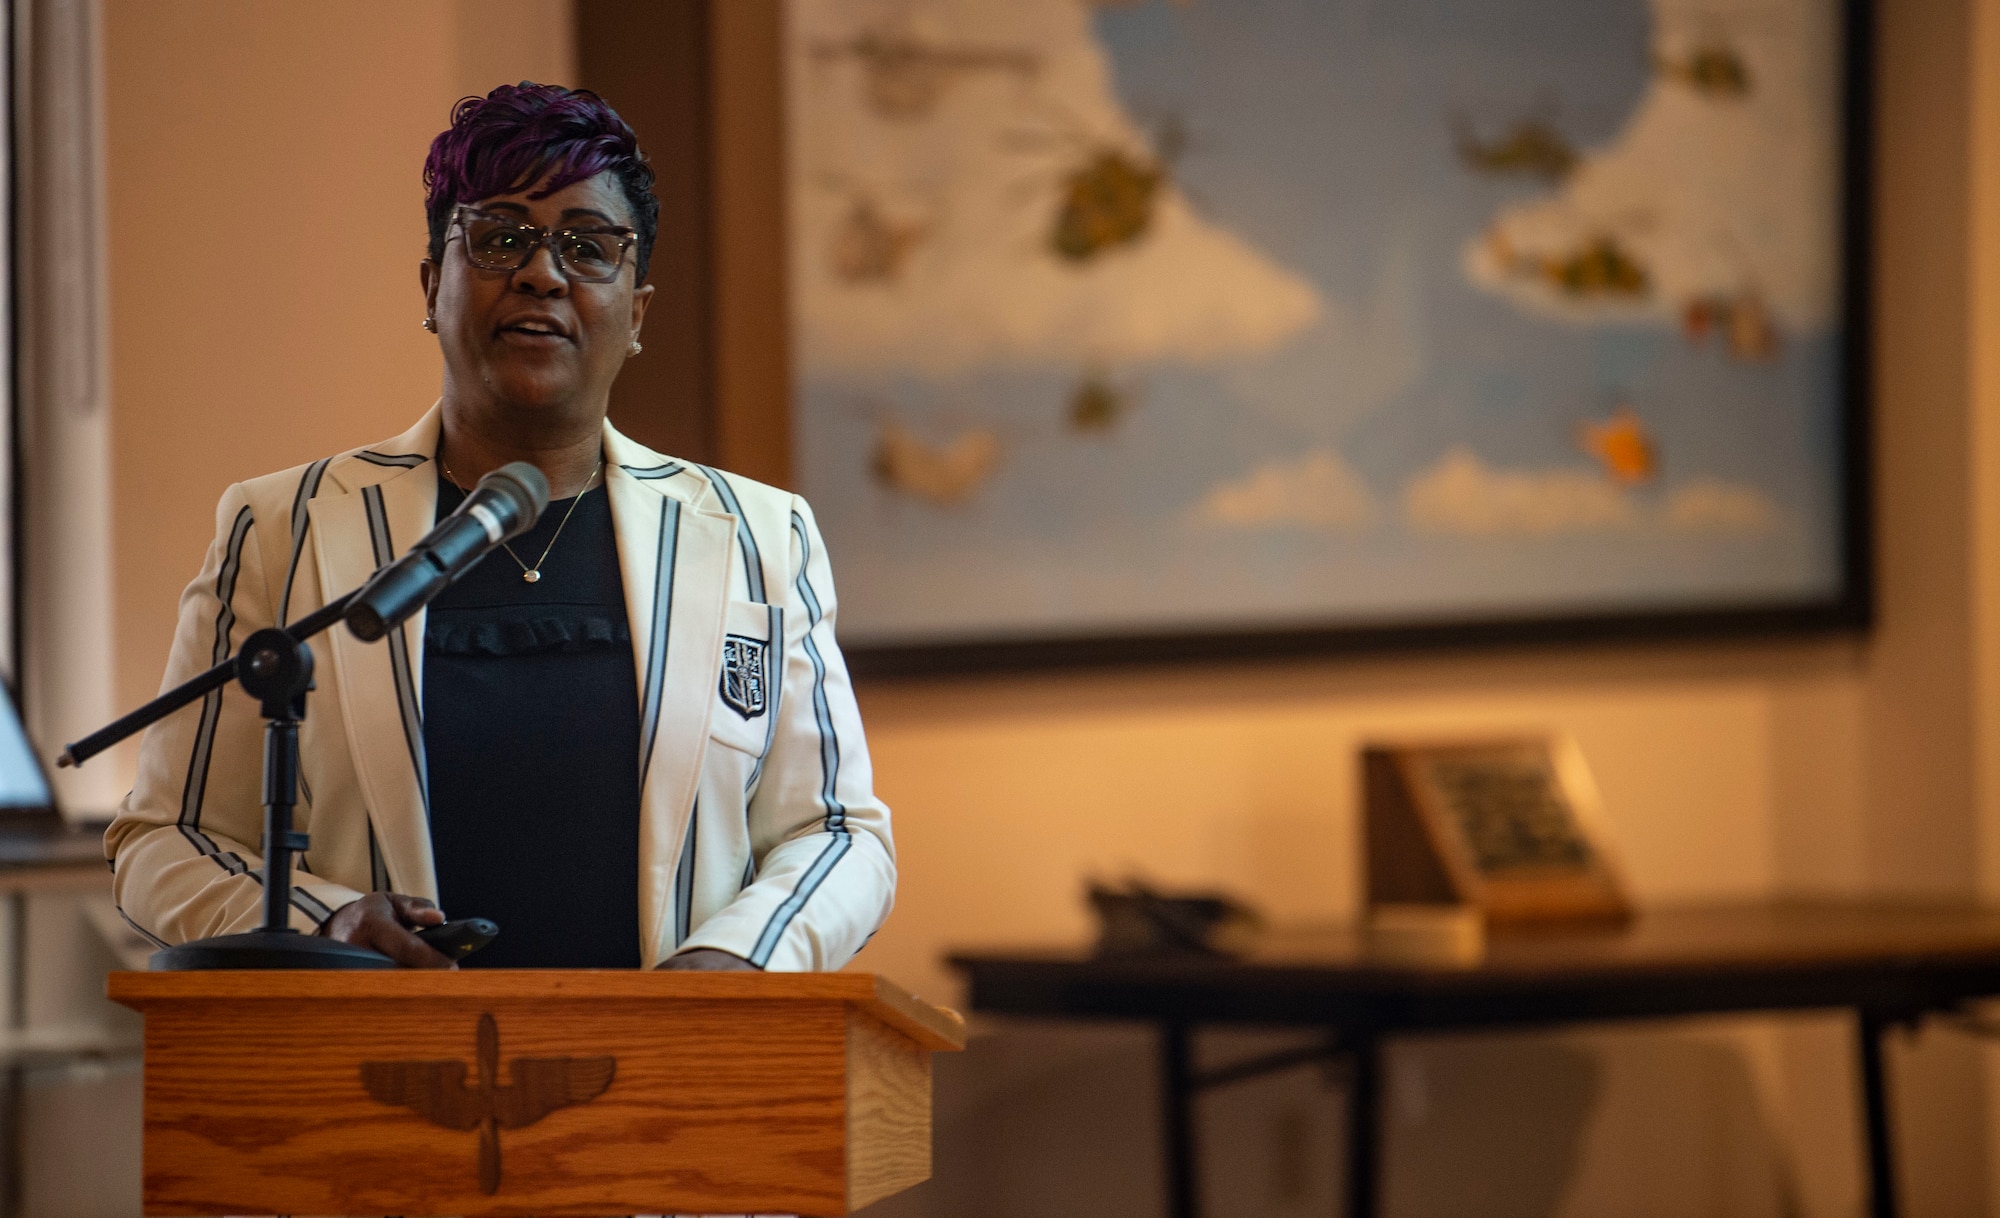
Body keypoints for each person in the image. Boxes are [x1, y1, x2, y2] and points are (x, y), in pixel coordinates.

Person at [105, 83, 894, 972]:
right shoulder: (283, 528)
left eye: (588, 247)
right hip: (372, 1079)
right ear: (430, 287)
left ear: (636, 311)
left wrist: (734, 962)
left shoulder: (758, 534)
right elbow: (162, 840)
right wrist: (322, 922)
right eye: (501, 237)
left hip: (673, 1082)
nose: (542, 273)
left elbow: (836, 834)